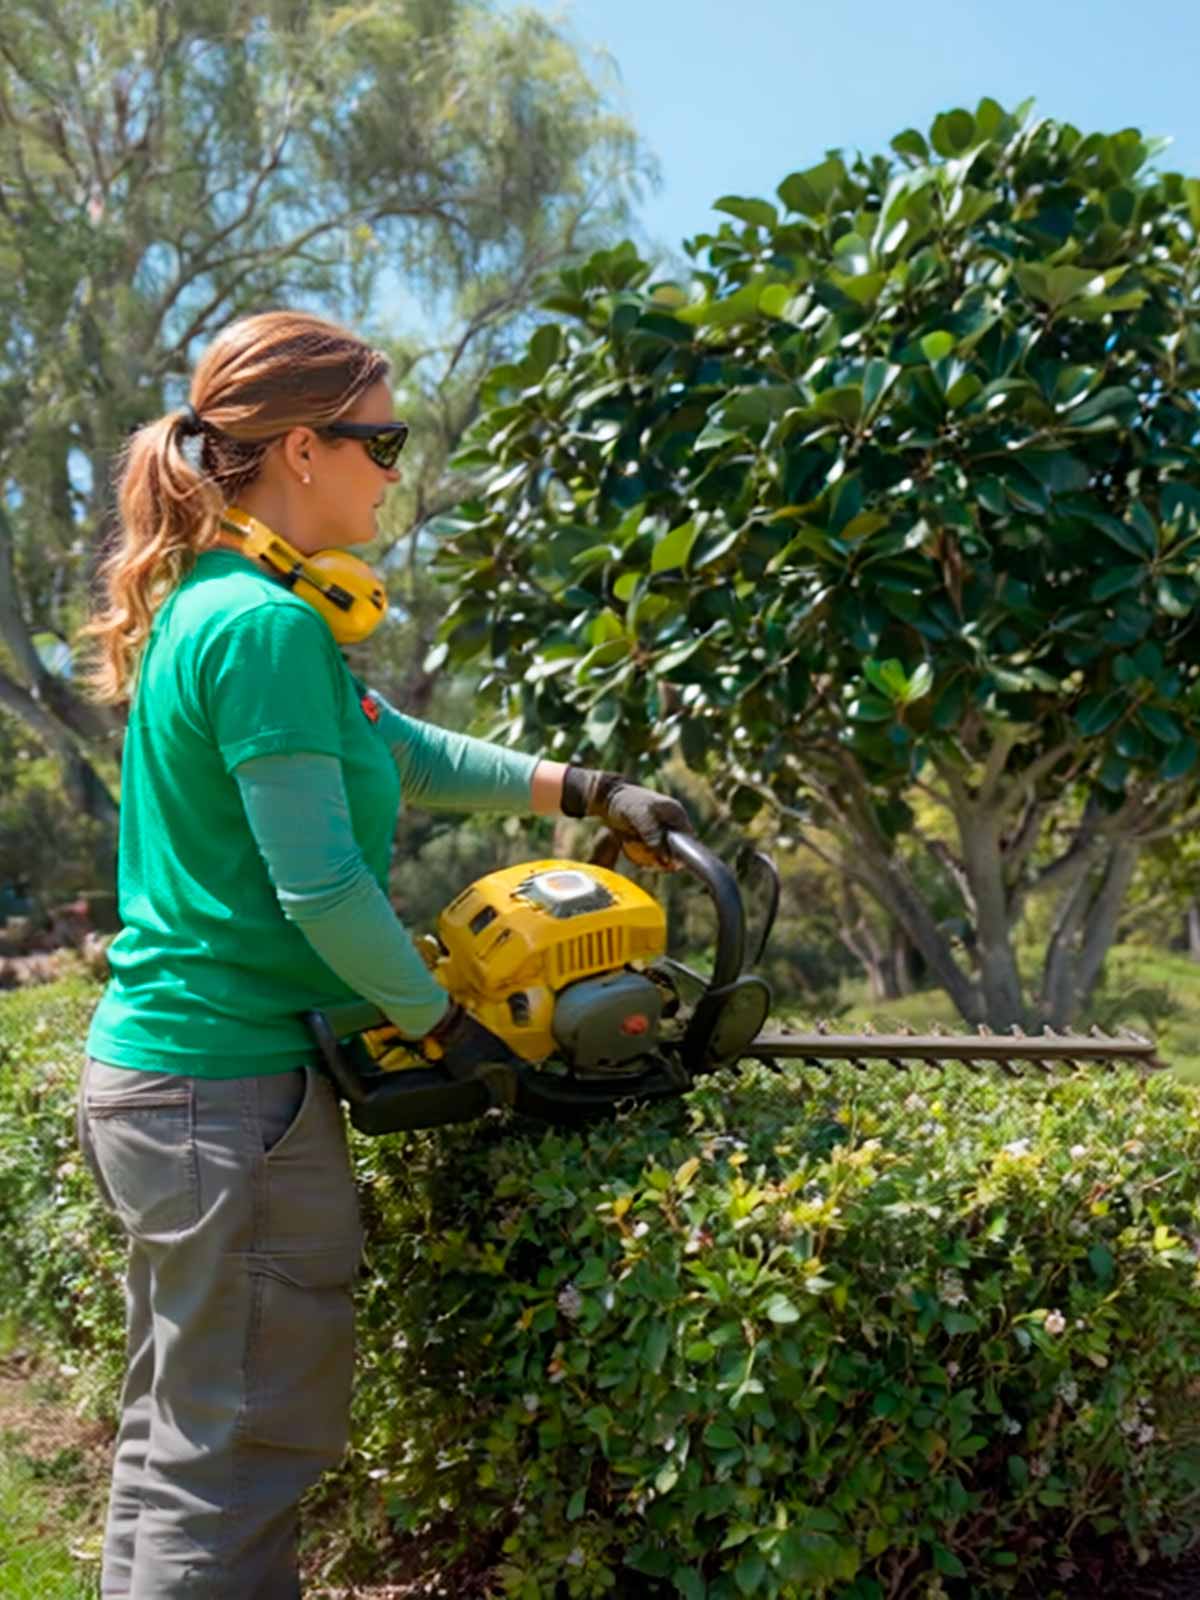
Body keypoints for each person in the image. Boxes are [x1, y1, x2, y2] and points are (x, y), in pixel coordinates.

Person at [77, 308, 693, 1600]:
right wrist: (441, 1022)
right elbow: (325, 887)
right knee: (239, 1456)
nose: (395, 468)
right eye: (383, 440)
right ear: (304, 449)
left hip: (190, 1087)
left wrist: (581, 789)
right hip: (227, 1095)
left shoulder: (238, 608)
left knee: (179, 1441)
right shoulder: (265, 629)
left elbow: (398, 747)